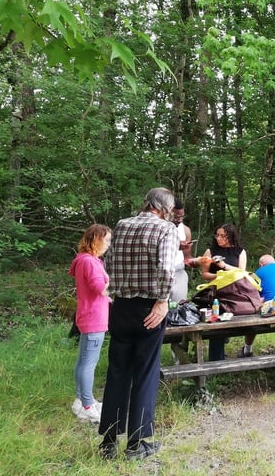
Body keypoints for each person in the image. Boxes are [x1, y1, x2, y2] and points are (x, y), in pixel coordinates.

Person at [98, 187, 178, 461]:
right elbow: (166, 269)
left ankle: (108, 442)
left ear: (146, 203)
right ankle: (136, 445)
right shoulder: (166, 229)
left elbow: (107, 262)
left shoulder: (121, 225)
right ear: (164, 208)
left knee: (117, 372)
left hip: (120, 307)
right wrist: (162, 301)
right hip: (148, 309)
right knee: (145, 373)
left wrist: (117, 290)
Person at [69, 224, 112, 424]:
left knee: (82, 360)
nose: (108, 244)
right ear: (96, 239)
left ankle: (82, 400)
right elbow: (100, 289)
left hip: (87, 315)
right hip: (94, 318)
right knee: (89, 363)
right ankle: (87, 406)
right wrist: (119, 281)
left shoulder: (84, 259)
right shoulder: (90, 262)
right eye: (107, 240)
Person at [192, 223, 247, 360]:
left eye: (223, 236)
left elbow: (242, 273)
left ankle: (236, 347)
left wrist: (224, 267)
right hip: (215, 293)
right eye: (217, 235)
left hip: (234, 293)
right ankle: (215, 359)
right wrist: (219, 276)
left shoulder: (240, 251)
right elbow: (204, 274)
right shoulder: (210, 251)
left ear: (231, 236)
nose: (219, 238)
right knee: (216, 324)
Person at [169, 197, 193, 303]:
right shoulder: (157, 228)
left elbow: (187, 258)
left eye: (182, 216)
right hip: (159, 275)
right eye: (176, 216)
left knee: (178, 307)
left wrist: (199, 261)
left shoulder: (185, 230)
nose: (179, 219)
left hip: (179, 273)